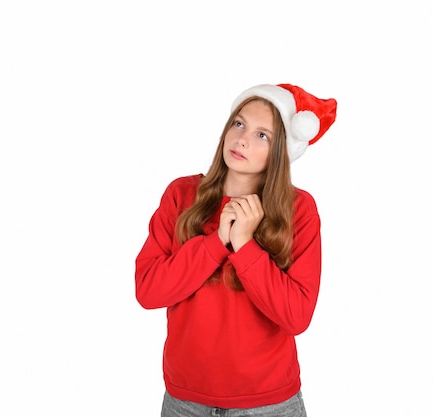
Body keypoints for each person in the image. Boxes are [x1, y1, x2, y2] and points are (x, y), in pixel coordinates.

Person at [135, 83, 337, 416]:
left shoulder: (299, 209)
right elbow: (148, 291)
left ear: (281, 151)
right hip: (186, 402)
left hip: (268, 404)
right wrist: (216, 243)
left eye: (262, 135)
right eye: (239, 123)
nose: (242, 138)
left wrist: (244, 245)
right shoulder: (181, 195)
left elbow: (297, 315)